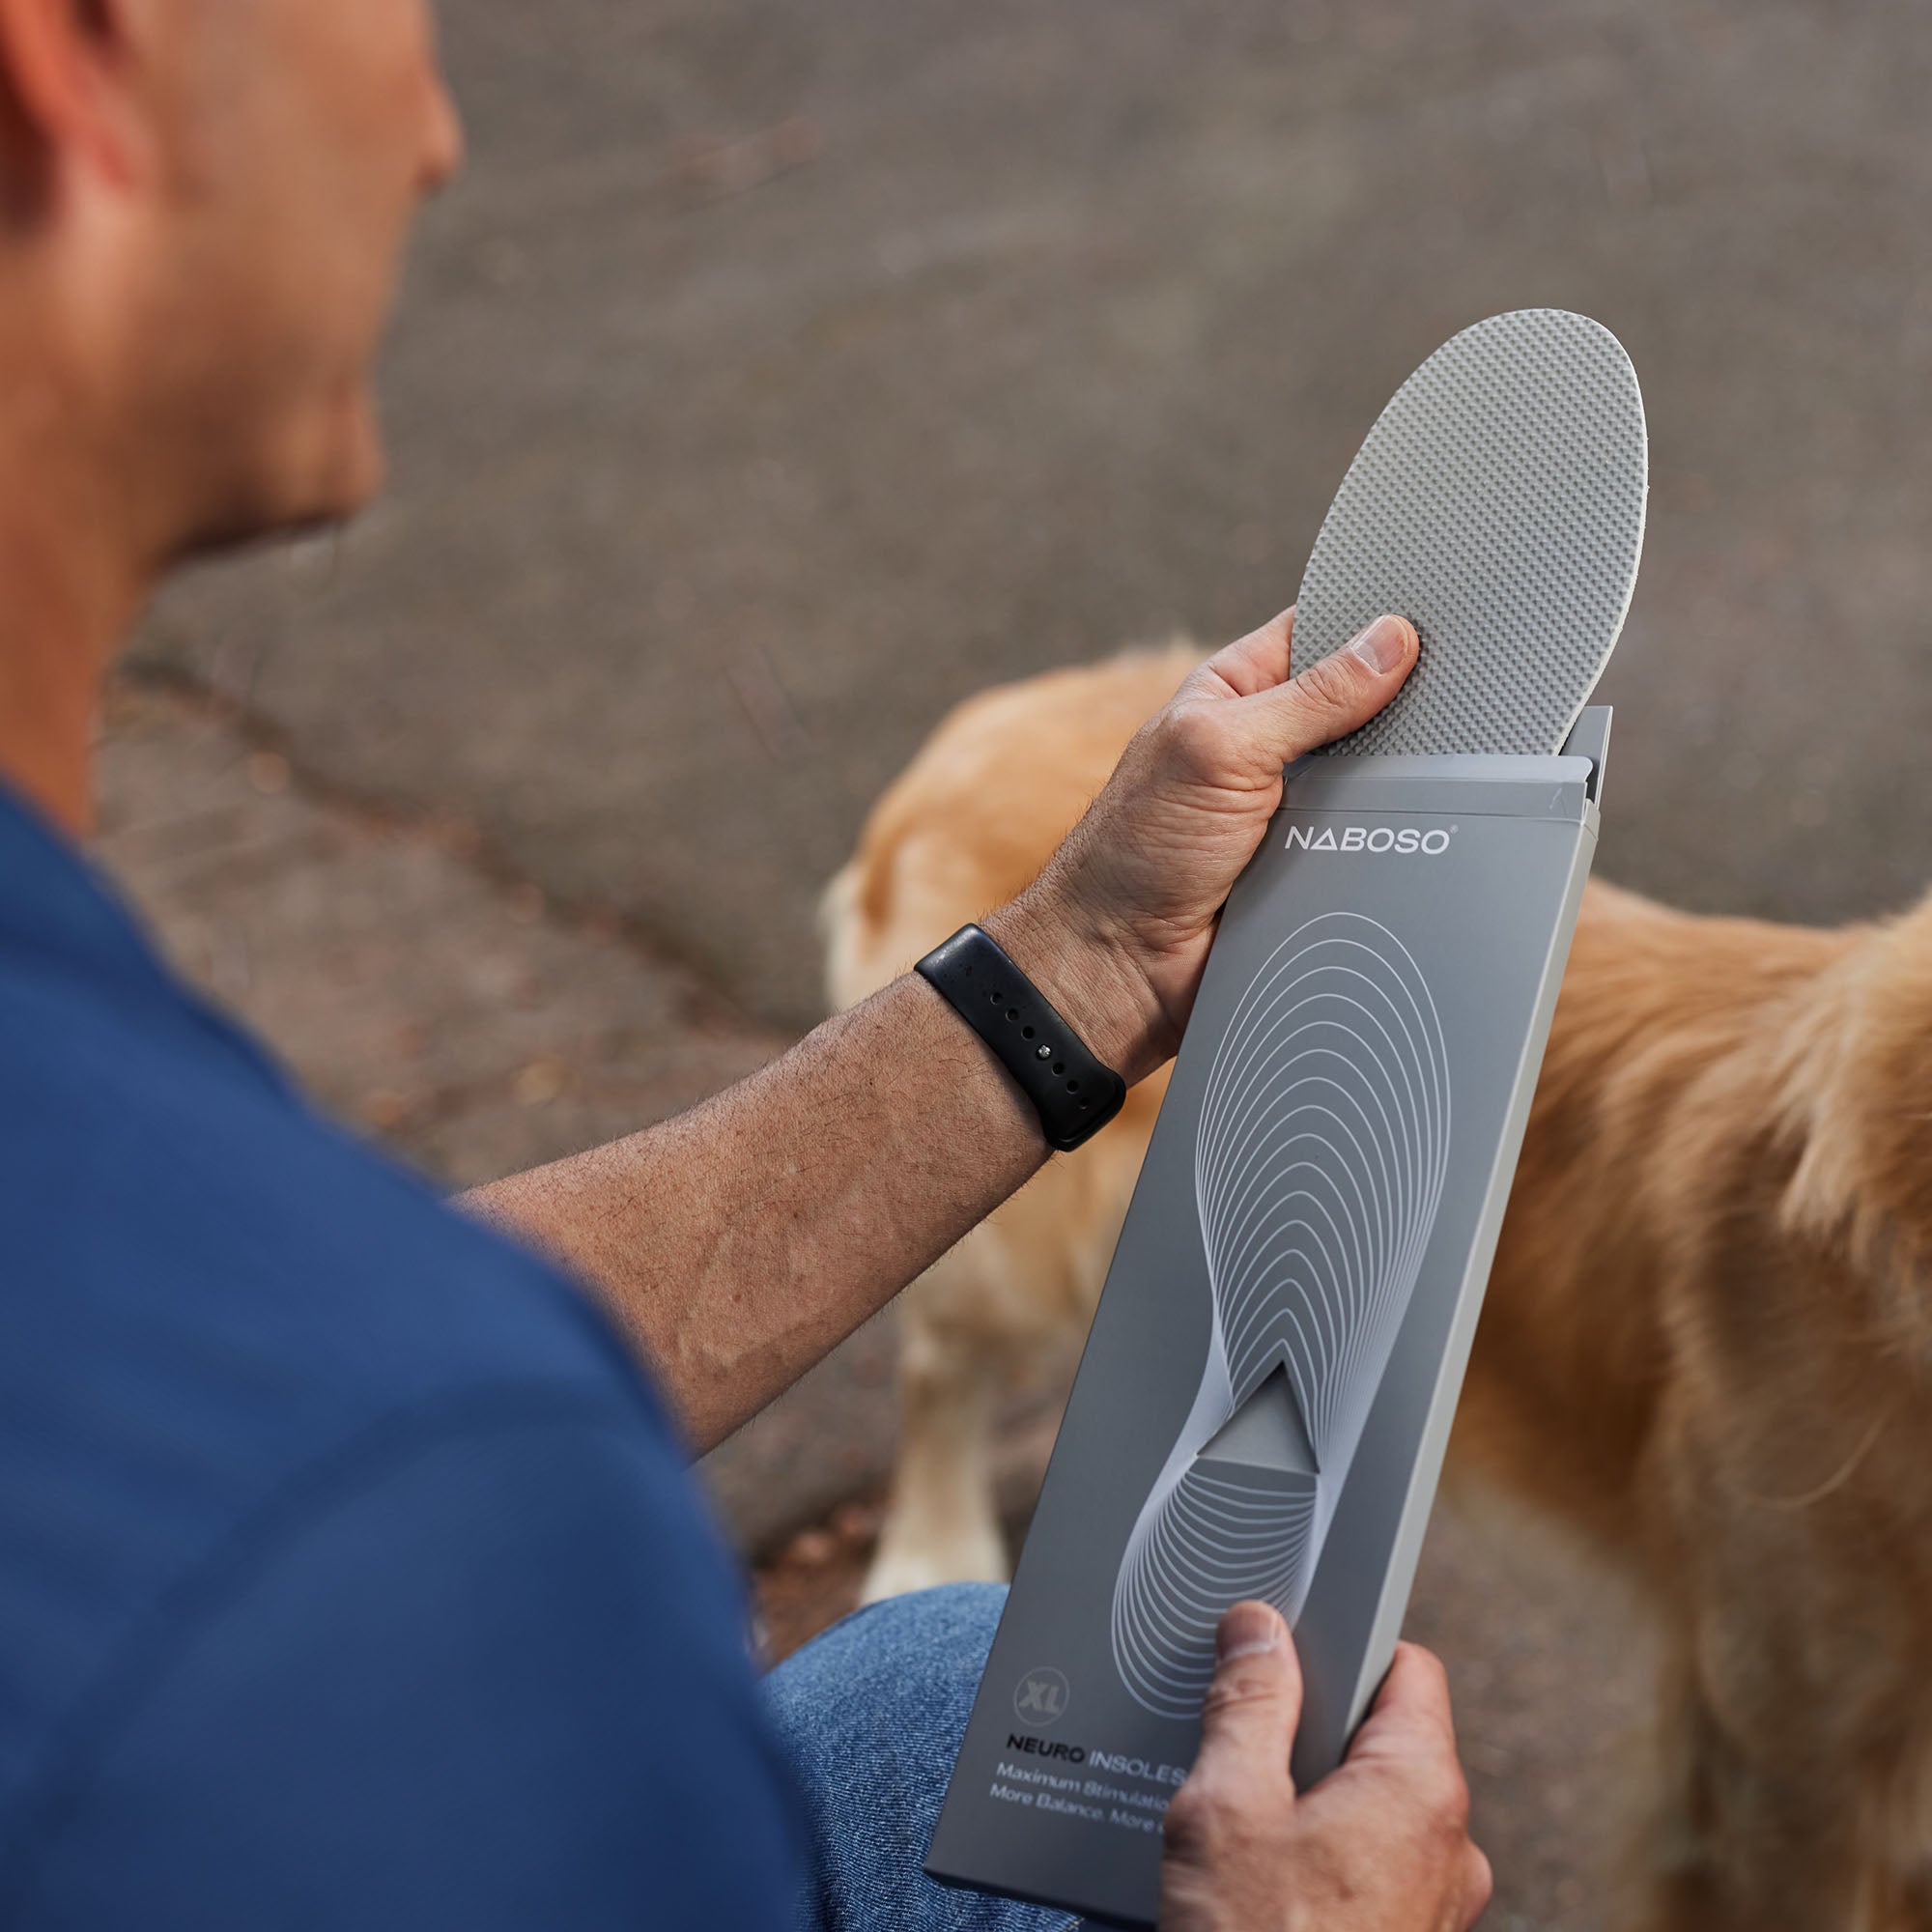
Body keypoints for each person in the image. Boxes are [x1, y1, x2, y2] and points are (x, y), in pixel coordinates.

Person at [0, 2, 1492, 1927]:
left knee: (954, 1688)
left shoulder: (224, 1341)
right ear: (76, 63)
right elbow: (350, 1422)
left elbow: (290, 1354)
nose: (440, 132)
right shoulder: (362, 1569)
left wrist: (1065, 973)